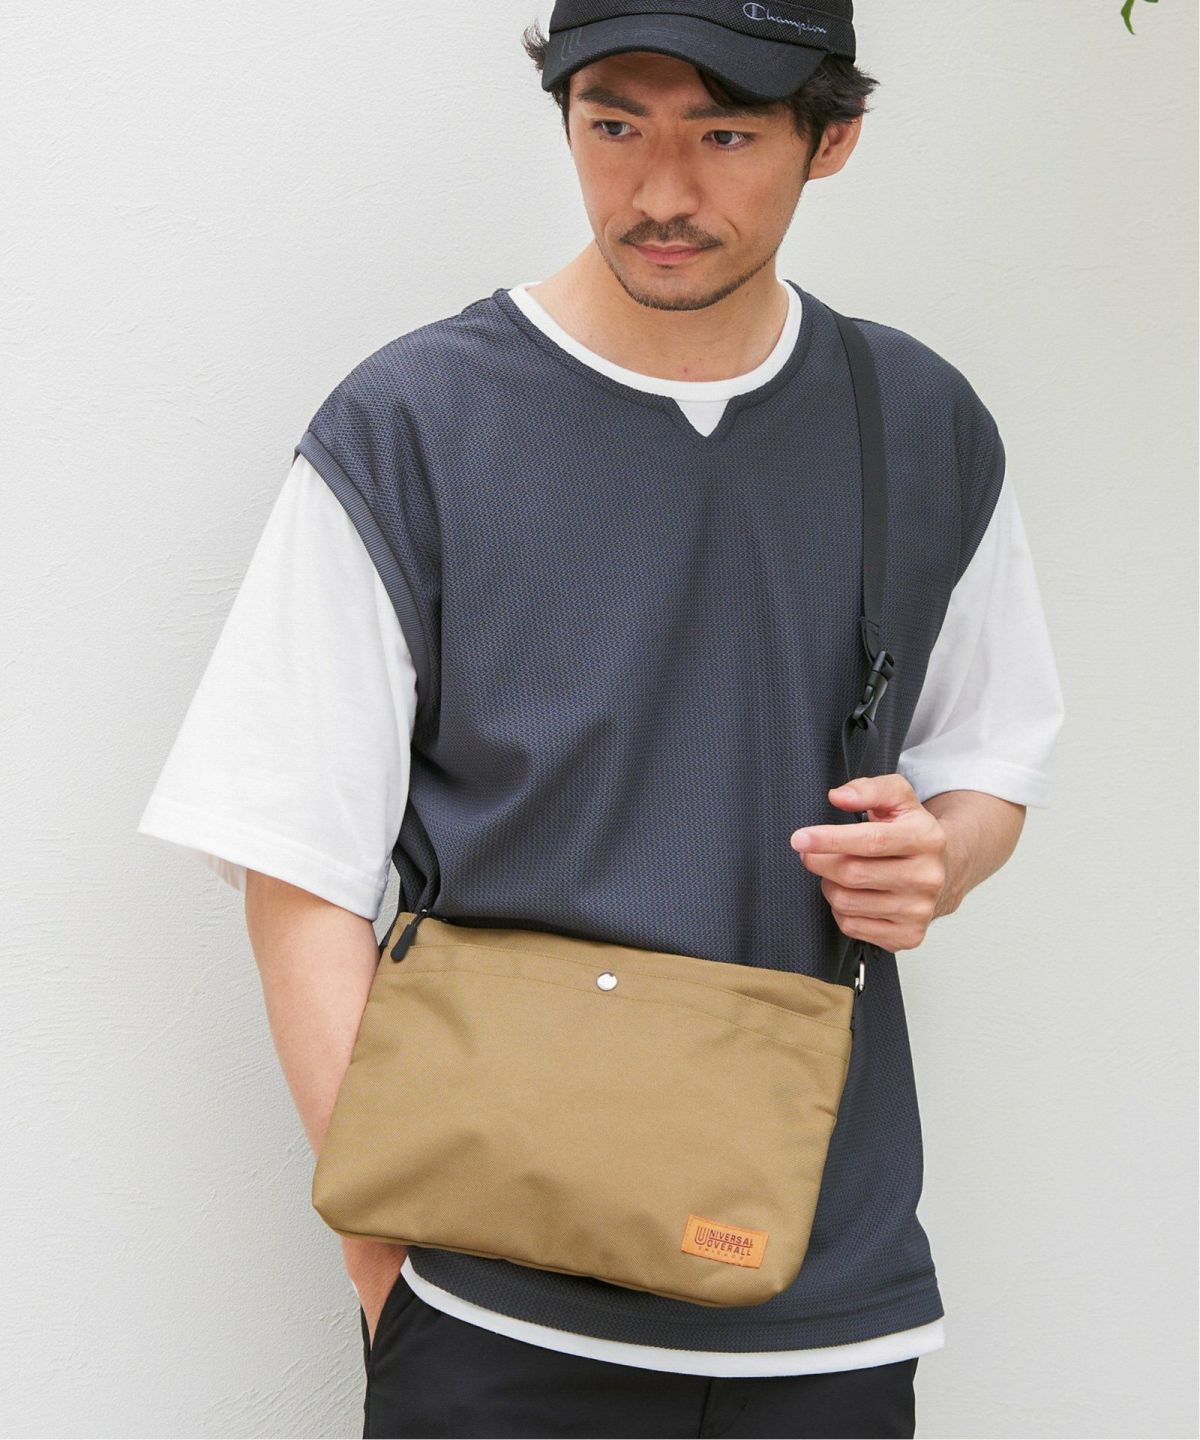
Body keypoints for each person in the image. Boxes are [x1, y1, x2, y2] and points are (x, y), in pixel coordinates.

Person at [137, 2, 1065, 1435]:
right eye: (613, 126)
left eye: (726, 135)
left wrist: (939, 856)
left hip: (829, 1301)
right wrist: (390, 1271)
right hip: (490, 1312)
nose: (661, 191)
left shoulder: (920, 421)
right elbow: (292, 866)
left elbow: (987, 759)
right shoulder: (413, 423)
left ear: (832, 139)